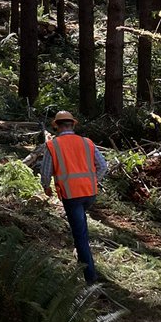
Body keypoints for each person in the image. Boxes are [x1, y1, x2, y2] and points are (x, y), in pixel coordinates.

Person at [40, 110, 107, 284]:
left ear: (56, 126)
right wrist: (93, 181)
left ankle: (90, 278)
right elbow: (103, 166)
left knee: (80, 236)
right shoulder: (87, 143)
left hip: (71, 195)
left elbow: (46, 172)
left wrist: (46, 186)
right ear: (73, 125)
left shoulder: (53, 145)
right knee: (81, 226)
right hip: (89, 193)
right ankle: (83, 262)